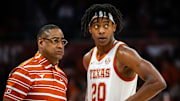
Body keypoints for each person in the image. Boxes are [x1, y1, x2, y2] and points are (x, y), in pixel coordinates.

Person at [81, 3, 166, 101]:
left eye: (106, 25)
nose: (101, 31)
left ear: (114, 27)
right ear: (90, 29)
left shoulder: (123, 53)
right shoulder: (88, 58)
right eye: (96, 26)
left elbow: (157, 82)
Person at [3, 24, 68, 101]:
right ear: (41, 43)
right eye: (55, 41)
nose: (60, 46)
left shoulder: (62, 76)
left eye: (62, 41)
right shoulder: (25, 71)